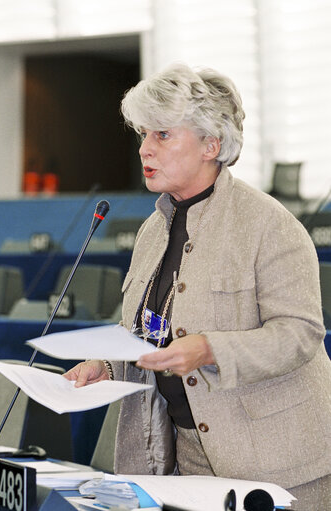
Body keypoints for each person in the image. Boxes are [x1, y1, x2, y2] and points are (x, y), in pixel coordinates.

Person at [64, 63, 331, 509]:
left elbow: (300, 334)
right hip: (181, 459)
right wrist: (107, 365)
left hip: (278, 467)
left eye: (163, 135)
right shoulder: (152, 231)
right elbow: (147, 328)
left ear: (213, 144)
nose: (145, 149)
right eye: (144, 135)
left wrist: (210, 350)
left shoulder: (271, 226)